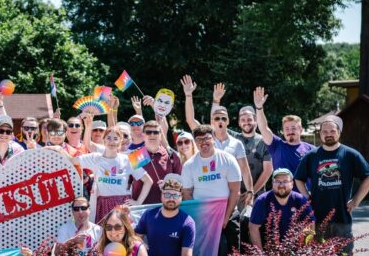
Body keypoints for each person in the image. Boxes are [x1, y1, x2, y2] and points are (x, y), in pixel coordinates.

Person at [294, 116, 369, 256]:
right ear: (319, 134)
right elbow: (298, 179)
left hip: (341, 216)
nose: (328, 134)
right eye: (325, 131)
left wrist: (355, 201)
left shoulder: (350, 154)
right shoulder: (311, 156)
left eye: (332, 131)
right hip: (316, 218)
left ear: (339, 132)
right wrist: (307, 197)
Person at [180, 124, 243, 256]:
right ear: (195, 143)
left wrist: (225, 217)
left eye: (207, 138)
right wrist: (198, 217)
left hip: (228, 214)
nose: (204, 143)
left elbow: (235, 191)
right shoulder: (190, 165)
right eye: (199, 140)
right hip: (203, 218)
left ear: (213, 138)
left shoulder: (227, 159)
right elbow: (187, 194)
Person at [182, 77, 254, 208]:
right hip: (206, 202)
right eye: (216, 118)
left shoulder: (236, 143)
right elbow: (190, 119)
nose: (220, 120)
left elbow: (244, 169)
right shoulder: (205, 140)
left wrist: (250, 190)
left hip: (229, 200)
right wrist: (188, 95)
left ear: (227, 121)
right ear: (212, 121)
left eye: (223, 118)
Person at [62, 123, 154, 222]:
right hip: (102, 205)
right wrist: (58, 148)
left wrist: (138, 202)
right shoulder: (95, 157)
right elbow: (71, 160)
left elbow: (148, 181)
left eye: (115, 138)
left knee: (122, 235)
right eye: (109, 138)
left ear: (120, 142)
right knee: (103, 235)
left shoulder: (129, 159)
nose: (112, 141)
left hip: (122, 206)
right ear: (104, 140)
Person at [134, 174, 194, 256]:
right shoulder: (149, 215)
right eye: (167, 194)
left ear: (181, 197)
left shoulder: (187, 222)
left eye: (175, 195)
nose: (171, 198)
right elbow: (135, 236)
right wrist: (141, 244)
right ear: (161, 195)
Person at [253, 87, 314, 175]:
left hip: (304, 189)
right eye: (287, 129)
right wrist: (259, 108)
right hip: (281, 189)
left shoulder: (312, 150)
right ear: (283, 131)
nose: (290, 132)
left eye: (293, 128)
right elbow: (263, 128)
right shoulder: (276, 145)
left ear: (301, 130)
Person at [249, 168, 313, 249]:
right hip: (269, 251)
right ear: (272, 183)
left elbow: (310, 224)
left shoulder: (301, 200)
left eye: (285, 181)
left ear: (292, 184)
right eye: (277, 181)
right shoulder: (262, 201)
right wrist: (260, 255)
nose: (281, 185)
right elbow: (253, 227)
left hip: (296, 252)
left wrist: (305, 250)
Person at [131, 120, 182, 204]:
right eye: (148, 132)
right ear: (143, 135)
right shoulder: (135, 155)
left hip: (166, 206)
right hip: (140, 208)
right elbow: (127, 183)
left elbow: (181, 181)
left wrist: (168, 185)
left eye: (156, 132)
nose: (152, 135)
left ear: (160, 135)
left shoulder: (171, 155)